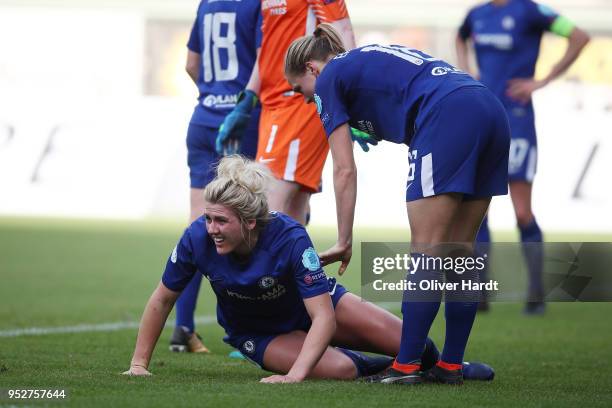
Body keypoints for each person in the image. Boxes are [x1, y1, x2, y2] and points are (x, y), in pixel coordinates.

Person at [123, 156, 495, 383]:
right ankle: (386, 368)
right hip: (258, 331)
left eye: (221, 221)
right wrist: (139, 364)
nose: (211, 229)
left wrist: (295, 376)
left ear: (250, 222)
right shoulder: (196, 239)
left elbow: (323, 317)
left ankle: (440, 365)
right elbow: (161, 300)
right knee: (342, 370)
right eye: (208, 219)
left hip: (316, 309)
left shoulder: (288, 236)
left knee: (418, 345)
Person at [284, 24, 510, 384]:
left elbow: (344, 170)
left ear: (312, 68)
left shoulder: (328, 80)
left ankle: (404, 367)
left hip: (447, 114)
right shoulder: (360, 59)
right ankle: (450, 366)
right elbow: (400, 93)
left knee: (428, 250)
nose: (308, 100)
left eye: (301, 90)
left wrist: (343, 240)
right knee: (460, 250)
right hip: (488, 108)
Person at [456, 0, 590, 314]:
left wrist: (542, 80)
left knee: (522, 212)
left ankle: (535, 292)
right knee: (478, 209)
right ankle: (480, 292)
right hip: (482, 117)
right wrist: (466, 70)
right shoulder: (477, 15)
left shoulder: (529, 11)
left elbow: (579, 36)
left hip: (517, 120)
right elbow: (460, 36)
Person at [216, 0, 363, 225]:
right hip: (271, 106)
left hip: (298, 102)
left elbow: (341, 33)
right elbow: (268, 45)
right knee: (292, 211)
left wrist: (352, 101)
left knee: (265, 203)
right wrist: (248, 98)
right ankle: (297, 260)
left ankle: (267, 261)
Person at [169, 0, 263, 352]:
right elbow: (264, 60)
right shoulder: (259, 4)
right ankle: (251, 333)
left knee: (199, 224)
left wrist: (213, 94)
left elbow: (192, 64)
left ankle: (183, 328)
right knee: (249, 223)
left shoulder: (207, 3)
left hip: (204, 118)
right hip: (243, 119)